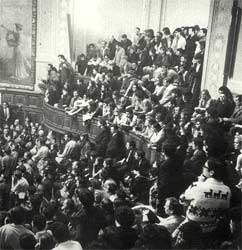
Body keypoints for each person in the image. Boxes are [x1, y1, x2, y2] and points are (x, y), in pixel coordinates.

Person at [180, 158, 231, 235]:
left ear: (211, 172)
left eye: (205, 167)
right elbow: (224, 209)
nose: (202, 168)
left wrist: (199, 182)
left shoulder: (197, 185)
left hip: (191, 227)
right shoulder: (227, 190)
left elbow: (182, 199)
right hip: (212, 229)